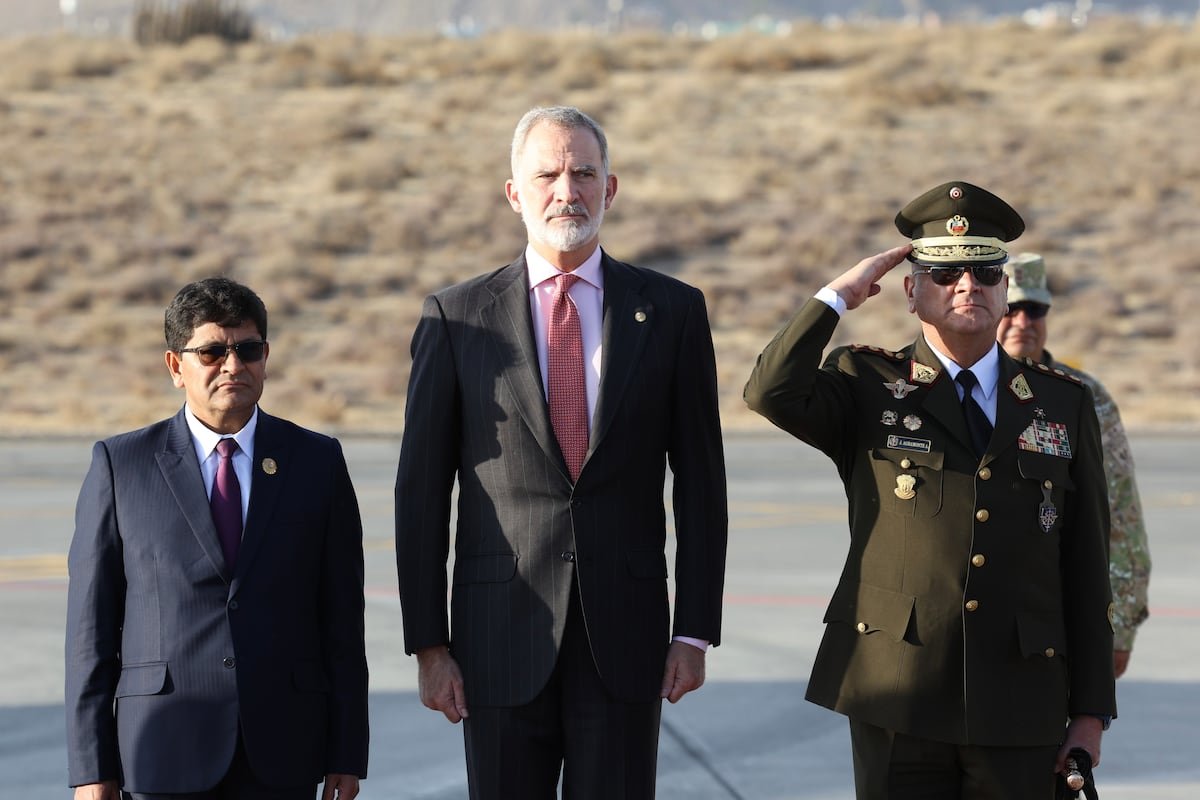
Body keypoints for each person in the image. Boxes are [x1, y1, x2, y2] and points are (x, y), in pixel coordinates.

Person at [394, 105, 727, 799]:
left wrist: (694, 632)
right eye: (547, 174)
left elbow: (700, 482)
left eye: (583, 173)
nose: (565, 191)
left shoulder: (671, 312)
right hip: (496, 643)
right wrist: (429, 647)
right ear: (515, 193)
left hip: (627, 643)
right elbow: (420, 494)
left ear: (610, 189)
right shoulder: (457, 319)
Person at [744, 181, 1116, 799]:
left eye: (984, 272)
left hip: (1021, 697)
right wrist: (837, 296)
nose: (967, 285)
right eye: (944, 274)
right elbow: (770, 392)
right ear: (911, 291)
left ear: (1005, 291)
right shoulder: (866, 383)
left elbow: (1085, 565)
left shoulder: (1060, 403)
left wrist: (1091, 709)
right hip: (898, 690)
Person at [65, 278, 369, 800]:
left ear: (266, 357)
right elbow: (90, 635)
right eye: (211, 352)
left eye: (248, 349)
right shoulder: (122, 465)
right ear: (174, 367)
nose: (233, 366)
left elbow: (342, 619)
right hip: (161, 751)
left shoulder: (316, 462)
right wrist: (92, 767)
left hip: (284, 752)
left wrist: (347, 751)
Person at [999, 252, 1151, 678]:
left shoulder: (1083, 397)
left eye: (1036, 309)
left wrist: (1119, 626)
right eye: (1011, 308)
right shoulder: (955, 389)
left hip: (1055, 619)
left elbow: (1121, 514)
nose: (1024, 321)